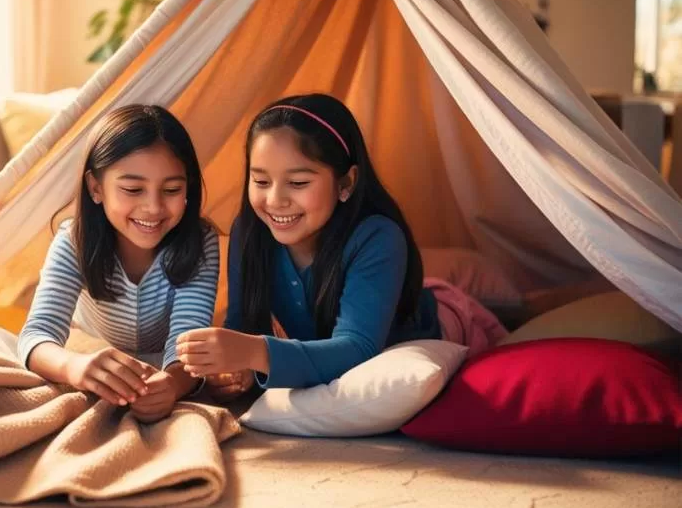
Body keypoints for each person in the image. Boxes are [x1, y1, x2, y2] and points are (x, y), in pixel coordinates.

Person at [175, 94, 506, 400]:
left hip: (442, 320)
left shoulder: (378, 236)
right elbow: (242, 327)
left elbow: (358, 347)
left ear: (346, 183)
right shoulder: (249, 231)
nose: (275, 200)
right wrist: (236, 370)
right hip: (366, 311)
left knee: (509, 310)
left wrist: (255, 353)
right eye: (260, 181)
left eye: (298, 183)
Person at [18, 104, 219, 422]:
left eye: (171, 190)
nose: (153, 207)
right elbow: (36, 335)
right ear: (96, 188)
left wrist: (172, 384)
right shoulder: (74, 241)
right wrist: (76, 367)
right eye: (132, 189)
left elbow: (186, 339)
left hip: (162, 364)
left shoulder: (200, 241)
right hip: (91, 350)